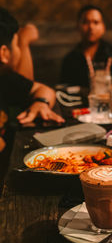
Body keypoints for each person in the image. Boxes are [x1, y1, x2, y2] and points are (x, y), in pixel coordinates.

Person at [0, 8, 65, 156]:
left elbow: (43, 89)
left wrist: (41, 103)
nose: (18, 50)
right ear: (4, 53)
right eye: (17, 45)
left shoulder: (5, 78)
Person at [60, 5, 112, 88]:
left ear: (103, 27)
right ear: (78, 26)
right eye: (85, 22)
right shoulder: (70, 59)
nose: (91, 27)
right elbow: (64, 89)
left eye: (96, 22)